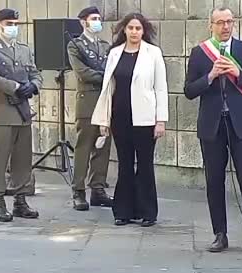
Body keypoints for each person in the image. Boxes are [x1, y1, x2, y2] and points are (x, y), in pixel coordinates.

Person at [184, 6, 242, 256]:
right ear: (211, 25)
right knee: (214, 181)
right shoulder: (200, 53)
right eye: (220, 22)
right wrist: (209, 76)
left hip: (239, 124)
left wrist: (238, 74)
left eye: (229, 22)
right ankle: (220, 234)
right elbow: (189, 91)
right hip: (212, 126)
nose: (225, 27)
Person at [91, 12, 168, 227]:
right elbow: (108, 88)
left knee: (144, 165)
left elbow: (161, 88)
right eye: (131, 28)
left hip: (145, 118)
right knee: (124, 164)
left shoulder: (153, 53)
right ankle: (123, 211)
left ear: (144, 31)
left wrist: (160, 120)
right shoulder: (115, 53)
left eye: (138, 28)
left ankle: (147, 212)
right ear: (124, 30)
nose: (134, 32)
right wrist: (104, 120)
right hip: (120, 116)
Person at [0, 8, 43, 222]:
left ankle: (20, 200)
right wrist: (15, 86)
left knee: (23, 158)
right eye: (8, 23)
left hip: (23, 111)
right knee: (0, 159)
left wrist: (32, 86)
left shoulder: (24, 50)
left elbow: (36, 72)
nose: (12, 27)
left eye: (15, 23)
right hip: (4, 110)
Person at [68, 6, 113, 211]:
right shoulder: (75, 45)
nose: (97, 22)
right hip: (87, 102)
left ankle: (98, 188)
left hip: (105, 101)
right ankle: (78, 190)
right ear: (83, 22)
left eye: (98, 18)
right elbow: (82, 72)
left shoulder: (105, 46)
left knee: (102, 147)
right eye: (93, 18)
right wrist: (104, 76)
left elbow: (113, 68)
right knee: (84, 147)